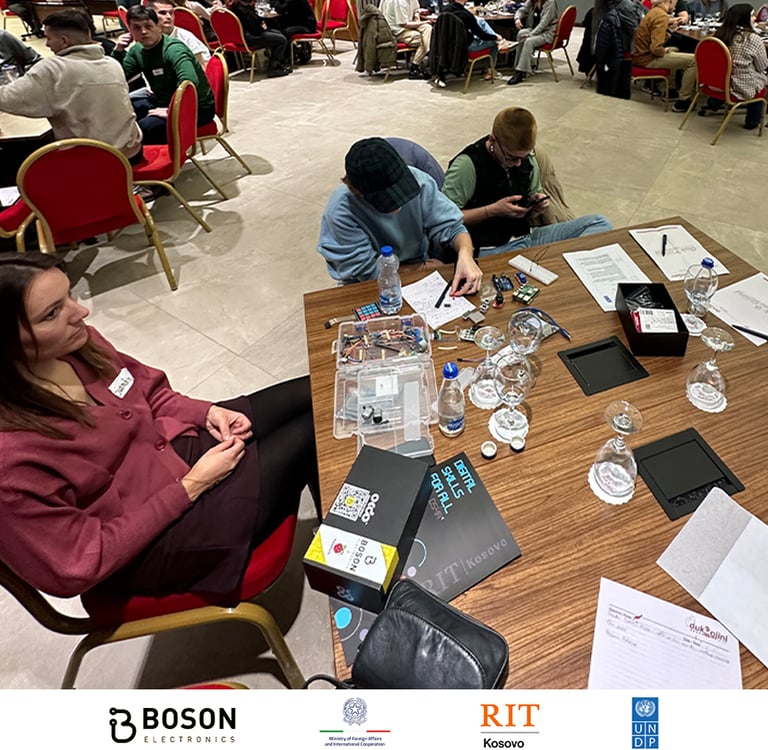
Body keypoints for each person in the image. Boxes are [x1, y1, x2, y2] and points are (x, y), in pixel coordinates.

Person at [0, 252, 319, 601]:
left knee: (319, 392)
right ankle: (349, 556)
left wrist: (207, 413)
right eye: (52, 313)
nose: (81, 313)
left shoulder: (78, 345)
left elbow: (149, 393)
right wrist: (193, 486)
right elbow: (77, 565)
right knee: (311, 431)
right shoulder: (11, 458)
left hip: (173, 455)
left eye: (69, 295)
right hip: (150, 541)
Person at [317, 137, 482, 297]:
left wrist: (465, 256)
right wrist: (420, 268)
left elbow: (452, 227)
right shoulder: (341, 211)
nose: (398, 207)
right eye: (386, 201)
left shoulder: (419, 180)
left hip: (418, 273)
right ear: (357, 191)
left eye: (402, 193)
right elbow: (368, 273)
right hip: (367, 286)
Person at [442, 107, 612, 256]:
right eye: (511, 157)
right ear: (492, 141)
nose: (518, 163)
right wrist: (491, 211)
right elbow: (443, 220)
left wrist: (535, 207)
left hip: (528, 236)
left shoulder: (528, 159)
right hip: (490, 248)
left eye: (523, 157)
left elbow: (531, 203)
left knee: (599, 223)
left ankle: (567, 263)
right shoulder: (467, 165)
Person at [0, 11, 143, 164]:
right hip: (131, 152)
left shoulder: (52, 68)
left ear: (64, 41)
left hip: (94, 161)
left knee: (17, 160)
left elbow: (6, 99)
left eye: (48, 38)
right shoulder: (112, 63)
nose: (46, 44)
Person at [113, 5, 215, 144]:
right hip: (164, 101)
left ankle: (164, 156)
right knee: (121, 115)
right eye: (136, 28)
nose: (143, 31)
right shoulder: (137, 50)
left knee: (144, 129)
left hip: (197, 109)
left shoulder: (174, 49)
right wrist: (118, 51)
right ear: (130, 31)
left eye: (148, 26)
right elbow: (118, 77)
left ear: (158, 27)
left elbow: (189, 83)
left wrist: (170, 111)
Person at [698, 3, 768, 129]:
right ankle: (752, 122)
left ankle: (714, 103)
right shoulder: (753, 39)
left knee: (733, 72)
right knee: (760, 83)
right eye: (752, 15)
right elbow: (762, 66)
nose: (754, 18)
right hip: (739, 86)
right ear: (744, 19)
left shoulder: (719, 35)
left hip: (714, 83)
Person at [632, 0, 697, 110]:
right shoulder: (661, 16)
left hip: (640, 55)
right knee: (694, 60)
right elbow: (656, 49)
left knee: (674, 50)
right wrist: (664, 51)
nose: (676, 7)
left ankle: (670, 90)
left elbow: (655, 39)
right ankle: (683, 101)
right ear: (670, 1)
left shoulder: (654, 12)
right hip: (647, 59)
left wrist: (670, 31)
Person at [439, 0, 502, 84]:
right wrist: (495, 37)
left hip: (446, 47)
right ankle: (491, 72)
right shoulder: (466, 15)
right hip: (465, 48)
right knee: (494, 44)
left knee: (479, 24)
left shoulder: (444, 11)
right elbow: (482, 35)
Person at [227, 0, 291, 77]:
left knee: (277, 33)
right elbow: (256, 30)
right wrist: (263, 27)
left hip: (243, 38)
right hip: (251, 38)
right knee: (281, 40)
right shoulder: (244, 9)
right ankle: (273, 68)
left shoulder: (235, 7)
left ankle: (277, 64)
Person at [507, 0, 559, 85]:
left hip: (546, 33)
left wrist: (531, 34)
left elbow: (544, 23)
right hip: (533, 29)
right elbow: (522, 10)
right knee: (521, 33)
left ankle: (520, 72)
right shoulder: (532, 1)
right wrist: (517, 18)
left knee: (529, 41)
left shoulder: (550, 3)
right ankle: (518, 66)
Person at [380, 0, 432, 78]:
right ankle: (415, 67)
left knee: (428, 28)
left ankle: (429, 52)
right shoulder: (399, 2)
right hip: (398, 30)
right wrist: (424, 22)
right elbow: (404, 24)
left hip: (410, 26)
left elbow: (416, 10)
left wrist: (417, 15)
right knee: (424, 39)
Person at [149, 0, 211, 65]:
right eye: (162, 13)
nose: (169, 17)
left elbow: (202, 66)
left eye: (171, 13)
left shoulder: (186, 37)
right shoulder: (147, 37)